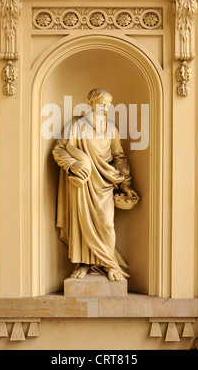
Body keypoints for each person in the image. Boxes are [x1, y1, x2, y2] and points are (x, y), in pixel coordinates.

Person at [52, 88, 138, 281]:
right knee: (82, 224)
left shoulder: (111, 129)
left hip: (105, 183)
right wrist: (73, 164)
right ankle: (83, 263)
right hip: (81, 184)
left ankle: (109, 265)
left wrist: (125, 184)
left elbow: (119, 157)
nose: (105, 109)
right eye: (101, 104)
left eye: (108, 105)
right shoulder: (75, 125)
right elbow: (58, 149)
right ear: (91, 103)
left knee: (107, 223)